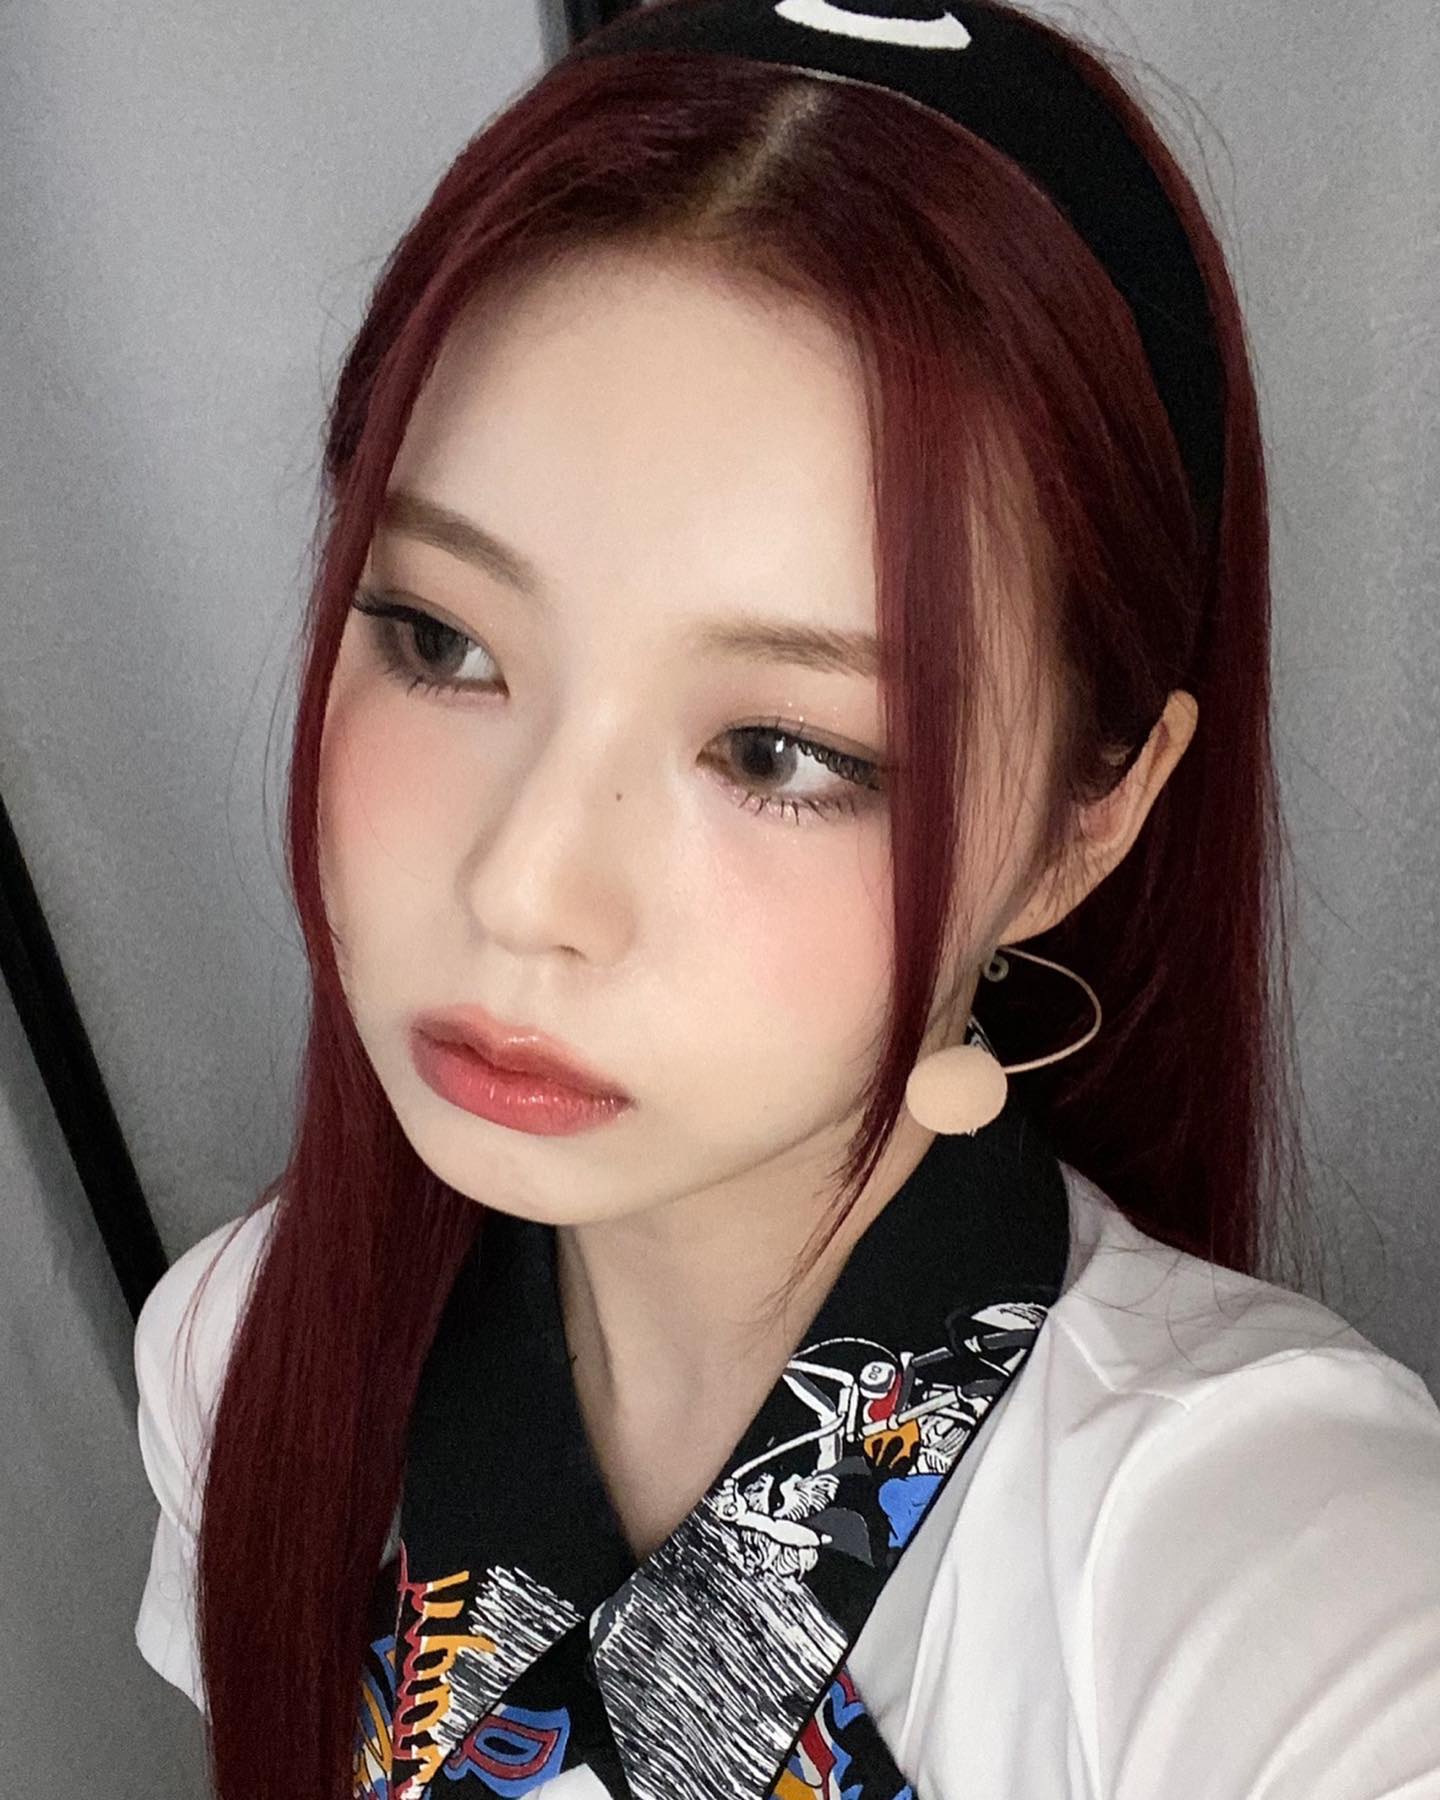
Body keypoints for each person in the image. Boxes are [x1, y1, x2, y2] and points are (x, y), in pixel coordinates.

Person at [131, 2, 1440, 1797]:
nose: (526, 886)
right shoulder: (246, 1355)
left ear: (1090, 822)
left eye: (779, 751)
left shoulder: (1239, 1569)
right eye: (439, 640)